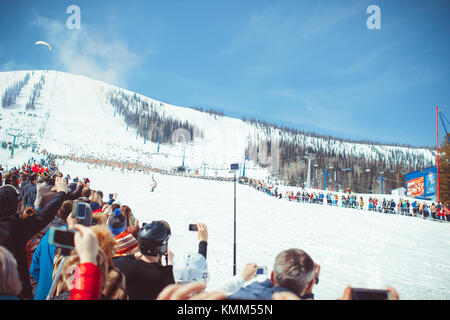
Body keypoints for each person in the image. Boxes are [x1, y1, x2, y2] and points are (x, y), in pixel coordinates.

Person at [0, 178, 68, 299]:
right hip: (15, 290)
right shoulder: (16, 229)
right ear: (16, 207)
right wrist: (61, 193)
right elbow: (44, 216)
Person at [113, 220, 175, 299]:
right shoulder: (164, 275)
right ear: (162, 247)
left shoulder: (122, 264)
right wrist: (170, 263)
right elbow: (173, 292)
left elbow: (113, 259)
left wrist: (134, 256)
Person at [227, 248, 320, 300]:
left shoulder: (250, 293)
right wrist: (309, 288)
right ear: (309, 285)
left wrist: (242, 277)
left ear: (272, 276)